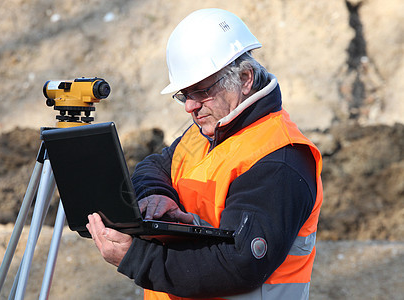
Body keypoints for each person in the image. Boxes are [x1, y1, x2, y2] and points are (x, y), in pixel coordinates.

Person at [86, 8, 323, 300]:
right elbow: (155, 166)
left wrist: (137, 257)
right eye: (185, 94)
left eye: (201, 91)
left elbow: (240, 263)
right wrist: (157, 194)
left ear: (245, 78)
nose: (190, 107)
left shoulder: (280, 158)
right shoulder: (206, 131)